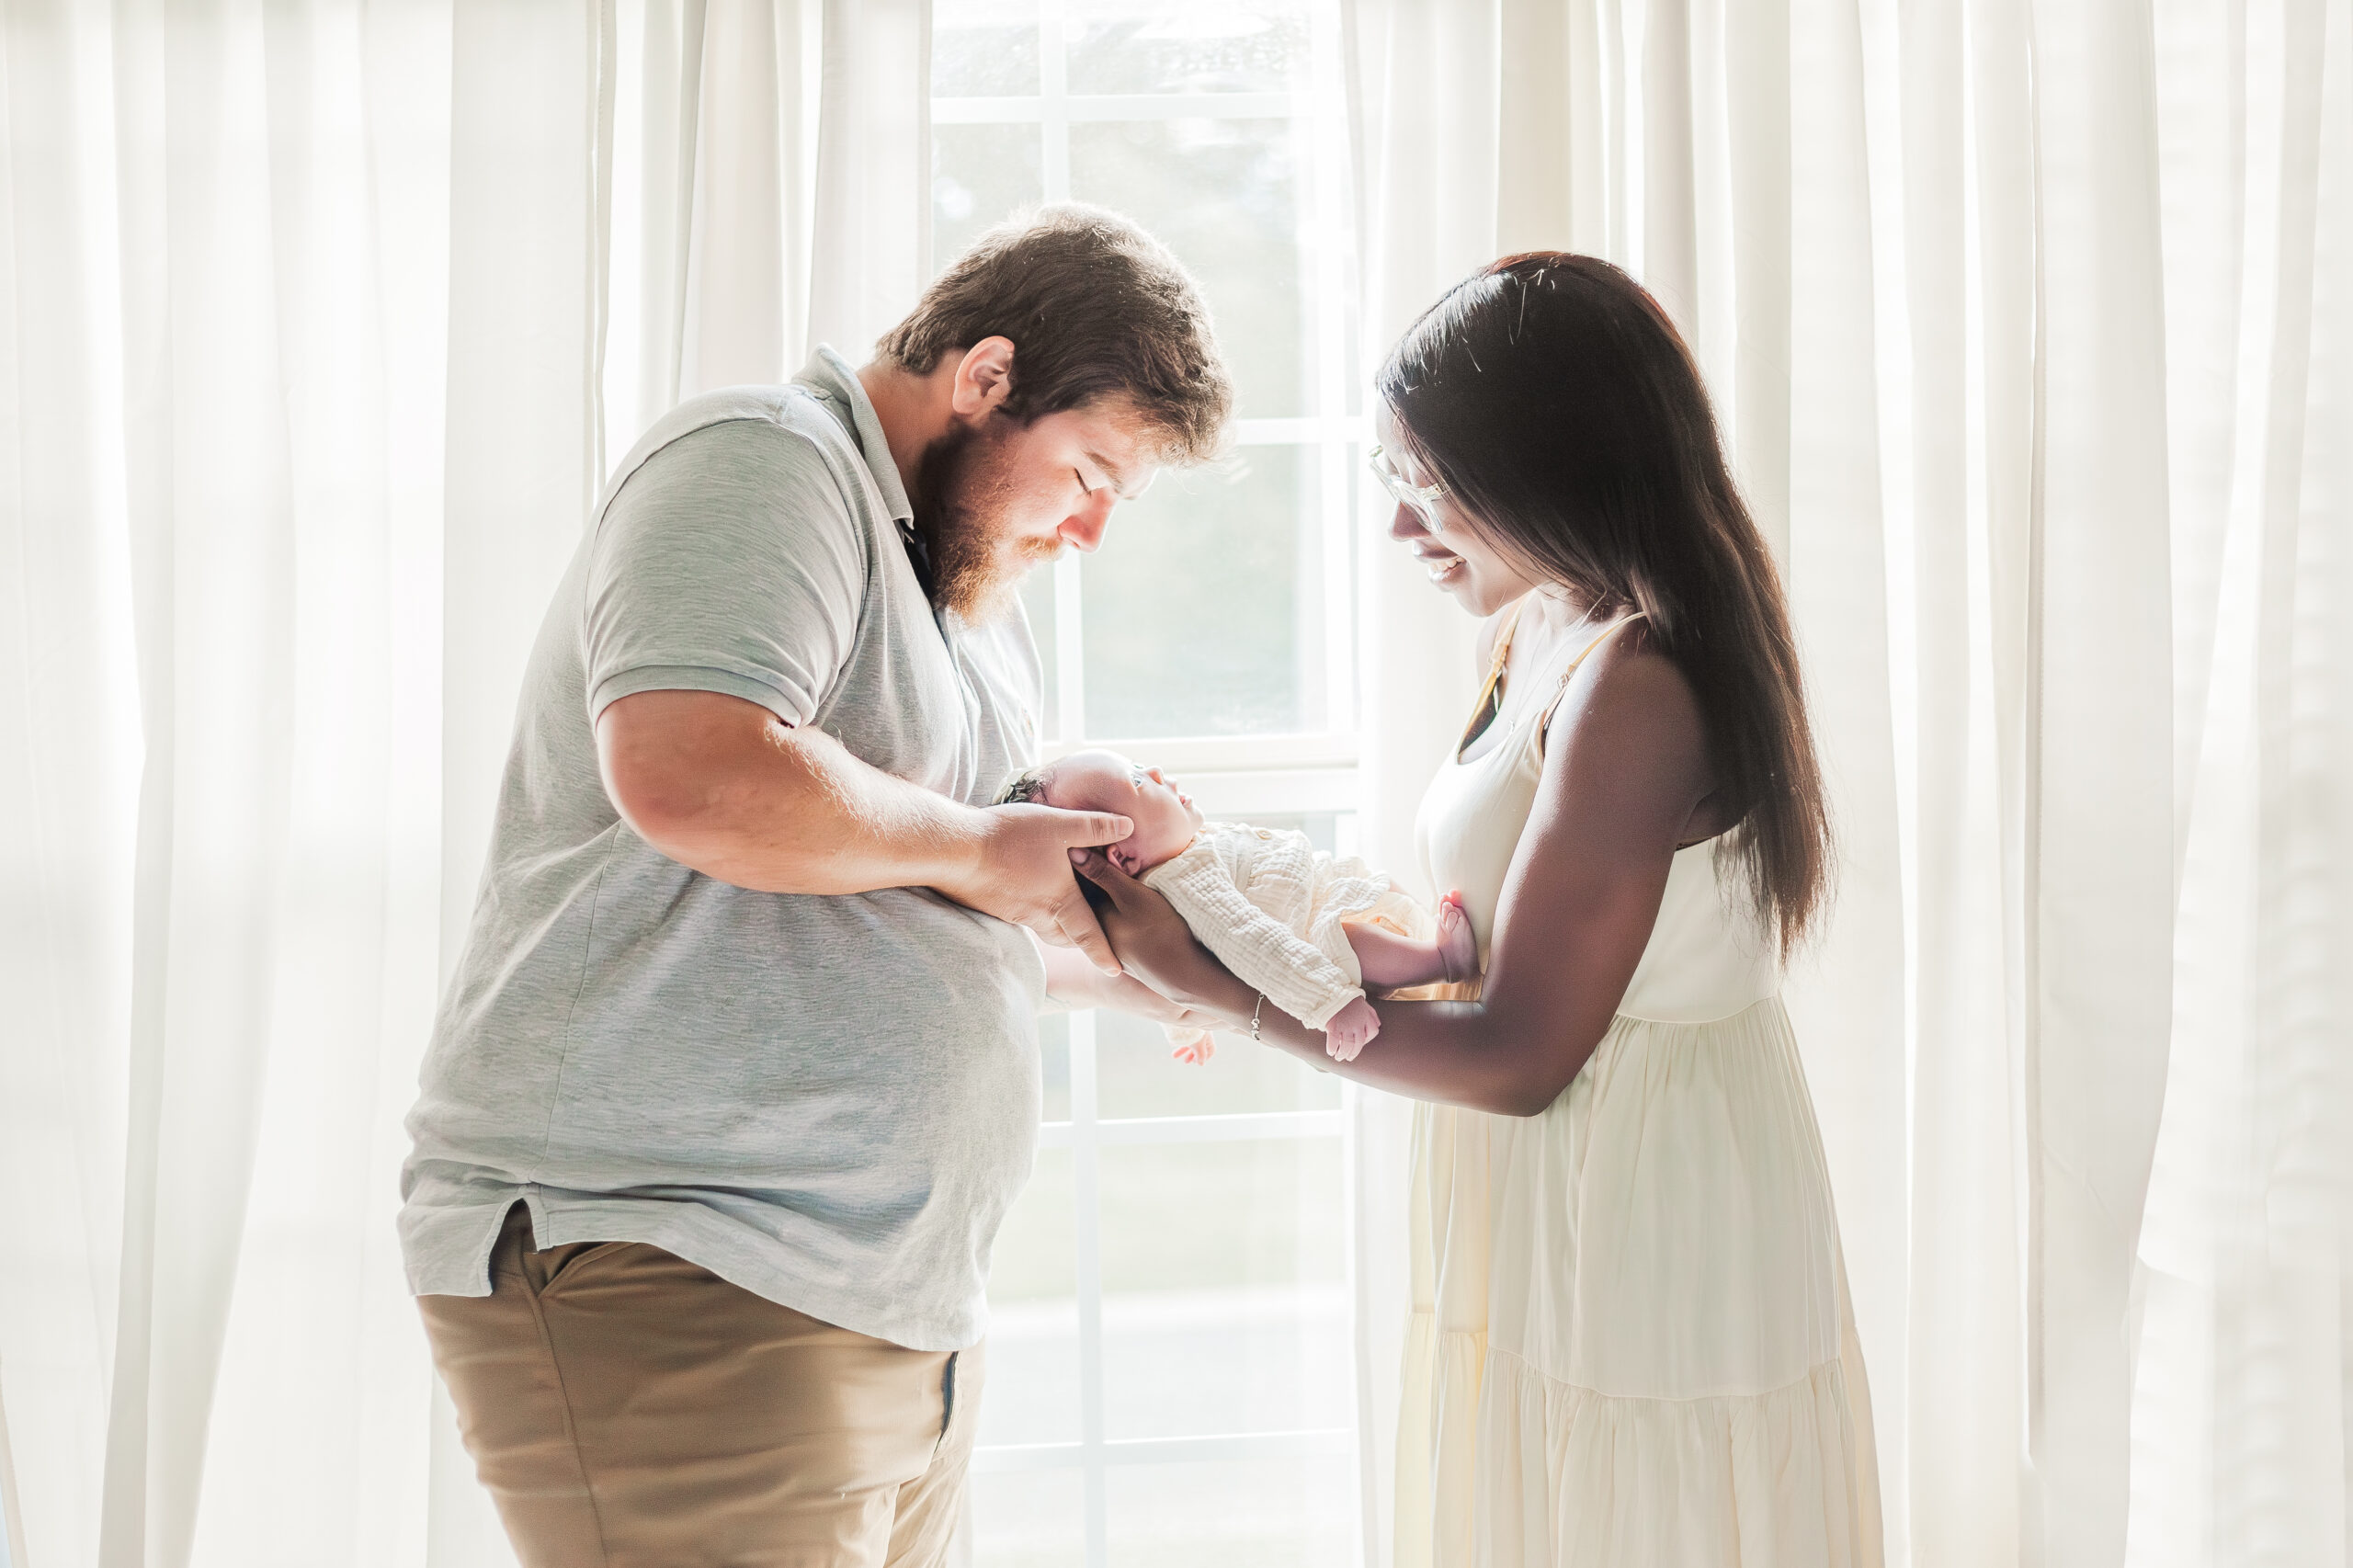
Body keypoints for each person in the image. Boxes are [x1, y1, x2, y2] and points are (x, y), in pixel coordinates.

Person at [398, 205, 1232, 1568]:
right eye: (1088, 472)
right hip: (683, 1260)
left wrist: (1180, 974)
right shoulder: (762, 460)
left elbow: (924, 889)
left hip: (882, 1297)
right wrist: (979, 846)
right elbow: (692, 771)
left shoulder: (952, 598)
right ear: (986, 378)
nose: (1086, 531)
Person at [1073, 254, 1883, 1565]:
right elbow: (1488, 932)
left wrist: (1222, 983)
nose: (1404, 530)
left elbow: (1520, 1055)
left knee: (1635, 1514)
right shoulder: (1544, 622)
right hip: (1557, 1176)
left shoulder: (1640, 686)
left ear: (1550, 474)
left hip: (1639, 1190)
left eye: (1431, 488)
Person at [999, 748, 1477, 1060]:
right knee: (1351, 944)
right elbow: (1250, 945)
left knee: (1360, 923)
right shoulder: (1185, 883)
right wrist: (1332, 1005)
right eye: (1140, 781)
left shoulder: (1184, 850)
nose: (1159, 772)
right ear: (1122, 855)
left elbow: (1176, 973)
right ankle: (1441, 962)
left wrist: (1186, 1032)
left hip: (1324, 895)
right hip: (1316, 946)